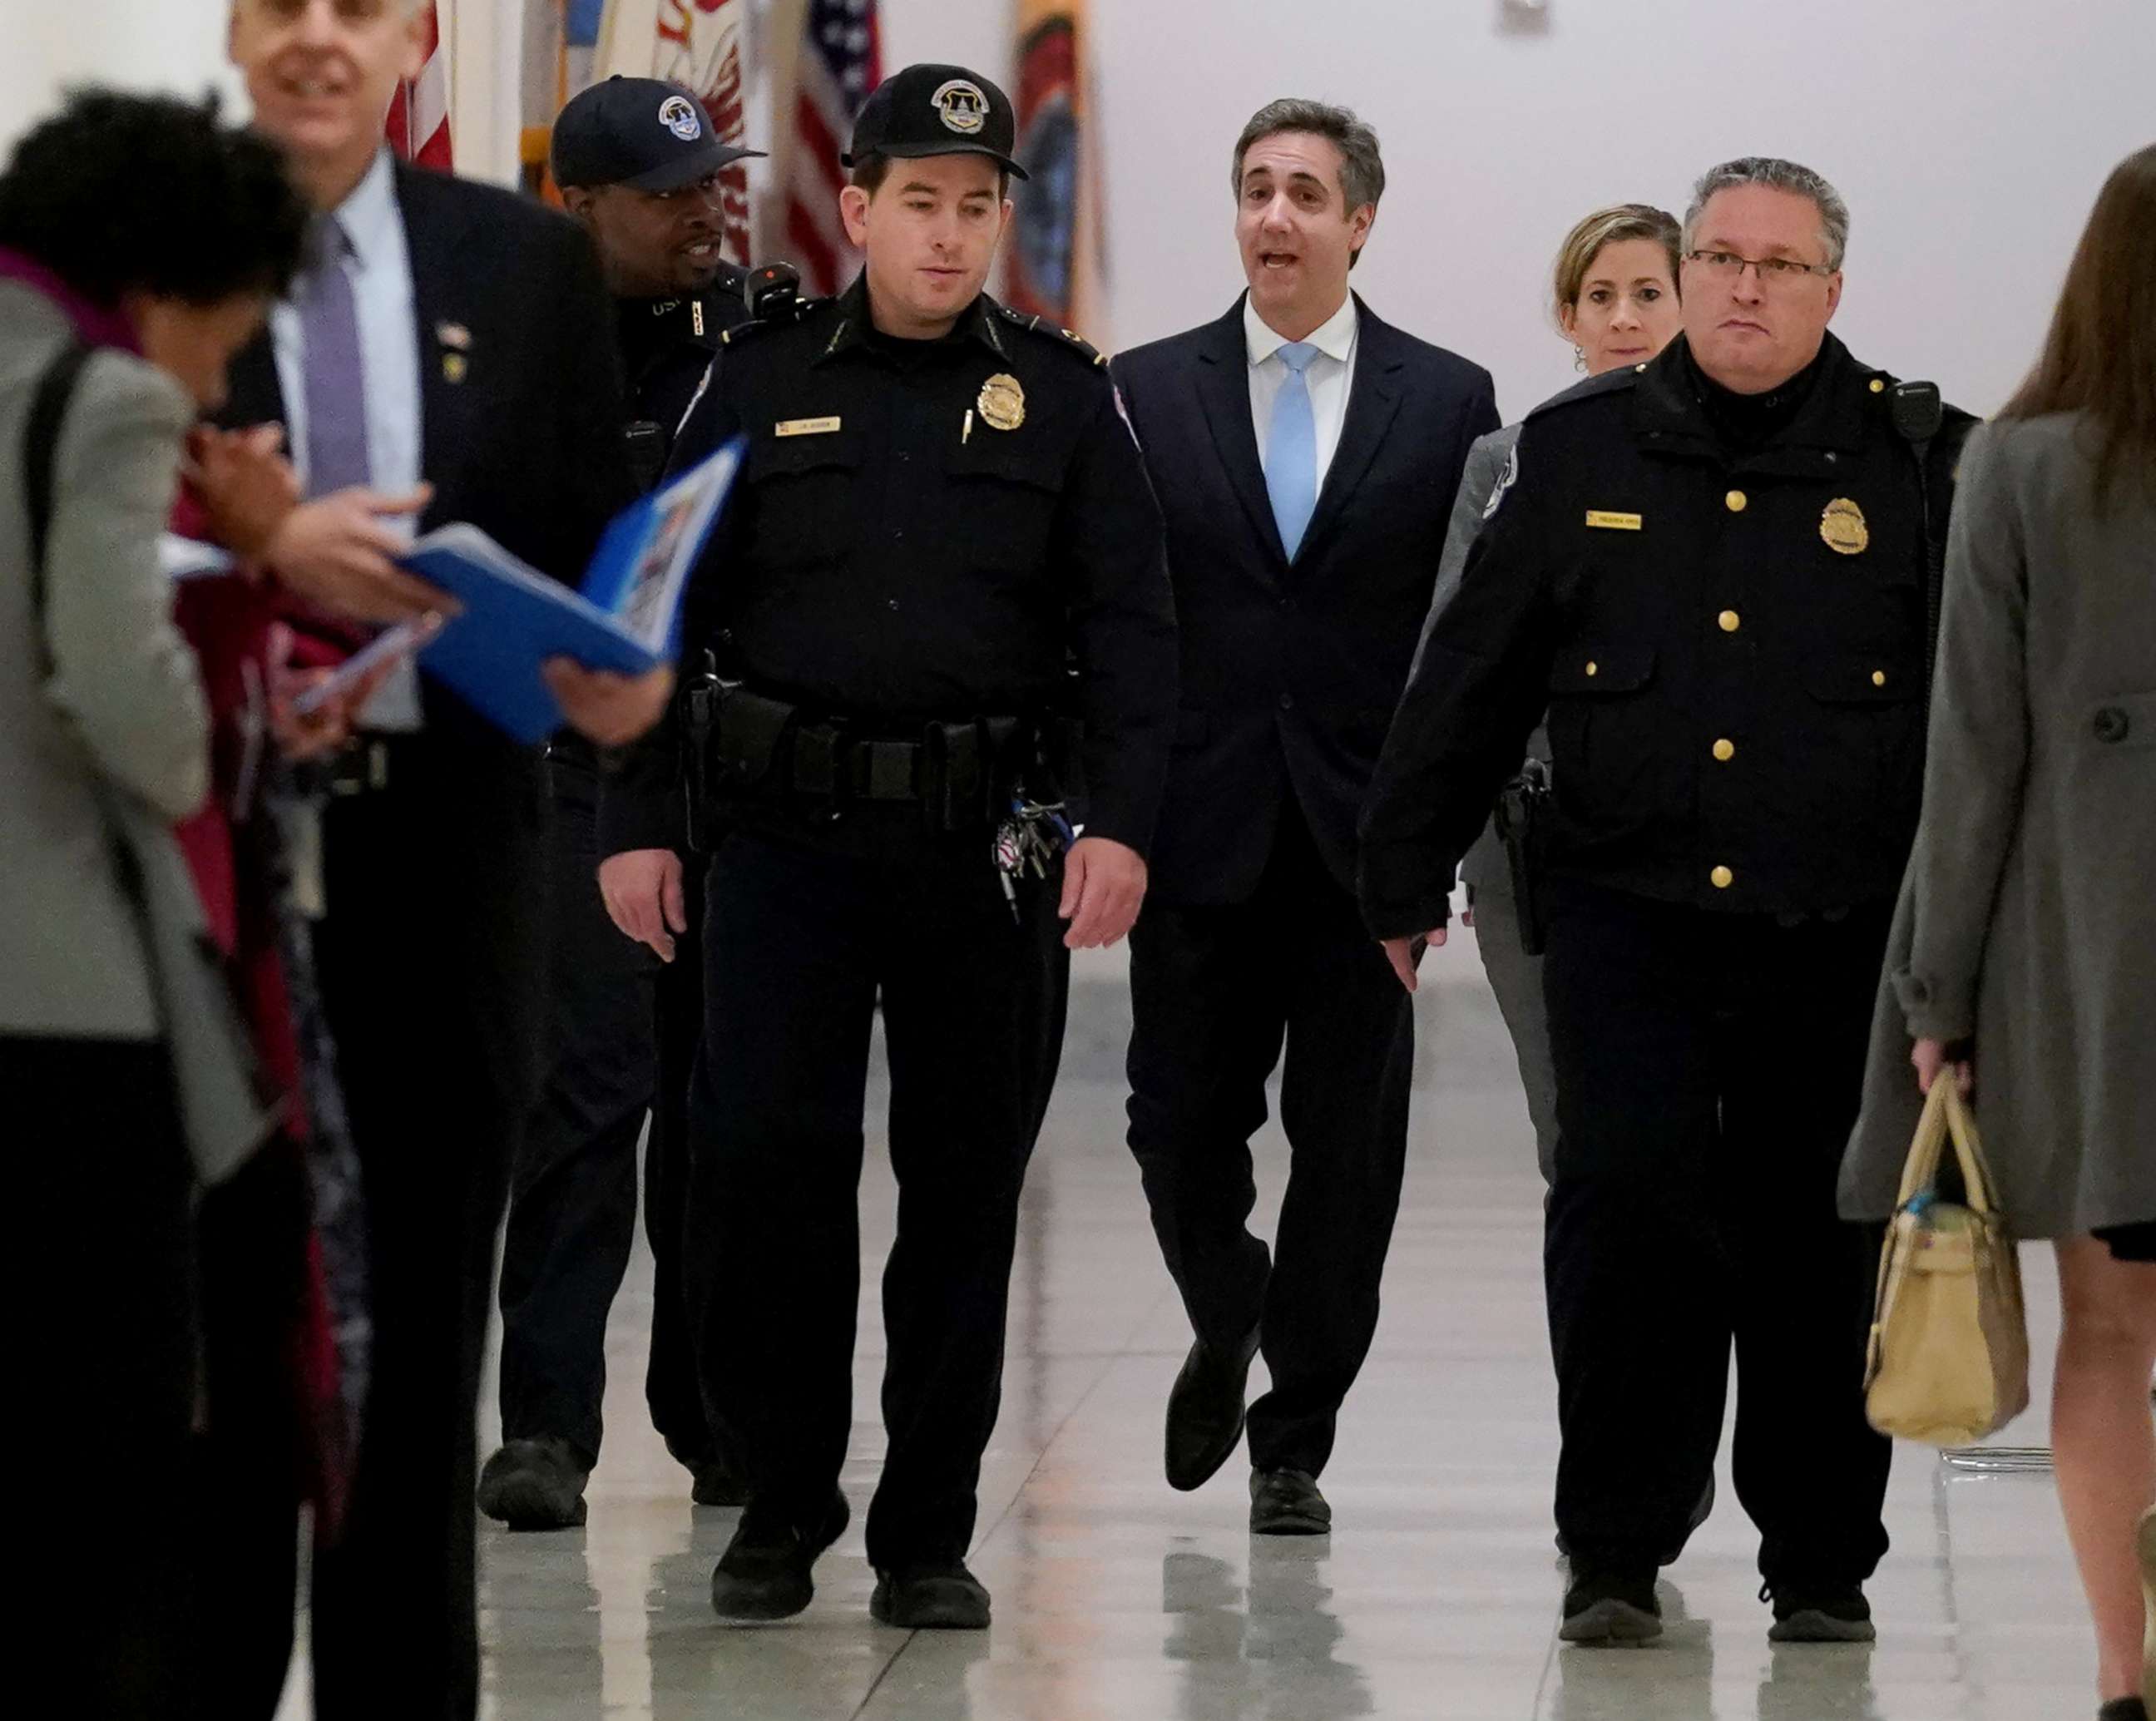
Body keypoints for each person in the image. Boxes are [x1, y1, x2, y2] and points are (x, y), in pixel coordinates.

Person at [1358, 156, 1976, 1648]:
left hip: (1837, 931)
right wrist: (1399, 870)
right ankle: (1615, 1545)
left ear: (1834, 286)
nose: (1742, 288)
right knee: (1624, 1228)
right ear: (1684, 273)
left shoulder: (1916, 461)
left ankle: (1820, 1556)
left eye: (1778, 264)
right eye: (1718, 259)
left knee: (1812, 1239)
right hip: (1625, 917)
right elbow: (1471, 672)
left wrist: (1974, 943)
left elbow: (1978, 720)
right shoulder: (1576, 454)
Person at [599, 62, 1176, 1631]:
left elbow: (1132, 629)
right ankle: (779, 1497)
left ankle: (929, 1522)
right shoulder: (756, 373)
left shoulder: (1062, 395)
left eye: (976, 205)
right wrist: (637, 820)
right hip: (777, 845)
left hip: (979, 853)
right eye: (917, 202)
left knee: (964, 1190)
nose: (947, 233)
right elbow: (649, 606)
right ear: (854, 206)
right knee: (766, 1175)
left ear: (1003, 216)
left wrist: (1120, 821)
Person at [213, 2, 673, 1714]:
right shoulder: (146, 247)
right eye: (283, 4)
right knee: (228, 1349)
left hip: (450, 855)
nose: (321, 37)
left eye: (360, 3)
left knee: (416, 1353)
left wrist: (623, 672)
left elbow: (573, 542)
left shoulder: (520, 262)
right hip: (216, 863)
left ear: (418, 29)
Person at [1107, 98, 1496, 1536]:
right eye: (1256, 189)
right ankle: (1229, 1304)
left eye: (1306, 194)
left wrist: (1433, 837)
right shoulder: (1143, 387)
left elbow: (1459, 637)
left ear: (1359, 221)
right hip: (1195, 825)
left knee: (1349, 1148)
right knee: (1173, 1123)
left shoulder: (1448, 397)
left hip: (1362, 839)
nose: (1276, 215)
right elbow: (1121, 616)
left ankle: (1296, 1430)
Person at [1, 88, 309, 1718]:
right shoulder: (105, 396)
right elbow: (133, 711)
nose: (214, 378)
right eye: (227, 333)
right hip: (62, 1005)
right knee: (104, 1447)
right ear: (170, 286)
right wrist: (242, 617)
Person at [1841, 142, 2156, 1721]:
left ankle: (2120, 1666)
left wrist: (1936, 985)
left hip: (2086, 962)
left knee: (2108, 1326)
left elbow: (1970, 754)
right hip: (2090, 950)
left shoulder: (2024, 464)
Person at [480, 74, 764, 1533]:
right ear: (577, 206)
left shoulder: (763, 344)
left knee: (717, 1110)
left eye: (713, 183)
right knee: (585, 1099)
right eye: (667, 196)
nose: (704, 212)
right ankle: (545, 1421)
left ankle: (708, 1410)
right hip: (578, 775)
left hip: (730, 769)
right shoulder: (517, 358)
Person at [1432, 204, 1682, 1184]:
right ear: (1568, 318)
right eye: (1599, 296)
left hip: (1687, 838)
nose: (1624, 316)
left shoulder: (1742, 463)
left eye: (1648, 293)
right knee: (1574, 1134)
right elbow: (1451, 670)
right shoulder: (1508, 462)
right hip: (1531, 846)